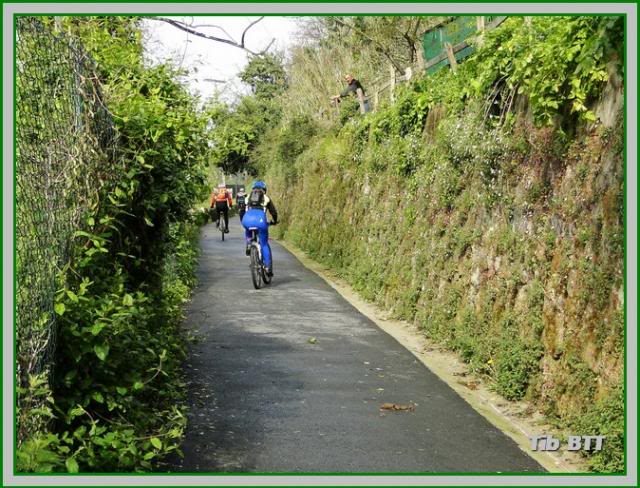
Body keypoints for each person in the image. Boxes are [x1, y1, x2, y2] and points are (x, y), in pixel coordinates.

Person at [241, 181, 278, 276]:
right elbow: (273, 212)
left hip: (247, 220)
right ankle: (267, 268)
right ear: (264, 190)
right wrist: (274, 221)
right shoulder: (266, 198)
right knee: (264, 244)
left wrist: (243, 221)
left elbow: (241, 212)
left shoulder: (247, 197)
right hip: (260, 222)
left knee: (247, 229)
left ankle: (249, 243)